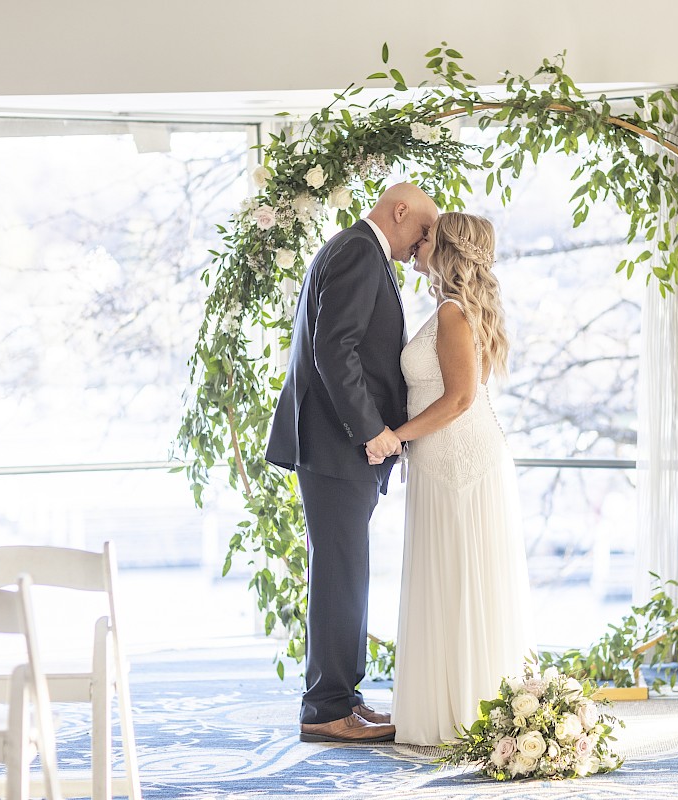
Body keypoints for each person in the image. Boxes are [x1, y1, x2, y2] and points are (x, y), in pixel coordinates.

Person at [266, 183, 439, 744]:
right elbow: (333, 348)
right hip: (340, 445)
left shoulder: (359, 251)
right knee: (341, 576)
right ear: (399, 210)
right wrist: (374, 433)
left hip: (336, 446)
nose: (422, 246)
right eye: (421, 231)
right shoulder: (360, 251)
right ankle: (325, 709)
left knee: (346, 573)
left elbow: (346, 348)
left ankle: (342, 696)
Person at [370, 212, 533, 746]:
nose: (419, 243)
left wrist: (397, 435)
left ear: (447, 250)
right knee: (449, 577)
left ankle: (467, 710)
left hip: (460, 460)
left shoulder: (452, 313)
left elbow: (460, 399)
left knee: (463, 578)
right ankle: (451, 707)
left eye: (429, 238)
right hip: (442, 461)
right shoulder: (450, 309)